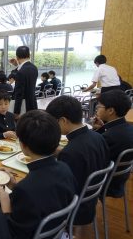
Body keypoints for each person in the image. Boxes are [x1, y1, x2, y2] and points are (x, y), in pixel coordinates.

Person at [0, 110, 77, 239]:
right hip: (58, 232)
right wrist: (14, 186)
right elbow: (43, 198)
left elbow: (14, 233)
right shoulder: (65, 168)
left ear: (23, 145)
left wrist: (4, 198)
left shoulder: (26, 188)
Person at [46, 95, 109, 225]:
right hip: (90, 201)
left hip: (74, 210)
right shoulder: (98, 137)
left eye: (53, 122)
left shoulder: (71, 152)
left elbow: (62, 192)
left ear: (63, 120)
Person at [92, 90, 133, 197]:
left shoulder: (109, 137)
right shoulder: (129, 128)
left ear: (110, 110)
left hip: (105, 183)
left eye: (99, 106)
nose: (96, 108)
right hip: (119, 180)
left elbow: (92, 158)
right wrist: (102, 128)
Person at [11, 46, 38, 118]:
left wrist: (16, 111)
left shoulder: (21, 72)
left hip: (24, 107)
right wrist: (17, 65)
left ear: (17, 57)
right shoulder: (34, 68)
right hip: (32, 103)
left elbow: (19, 93)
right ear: (29, 55)